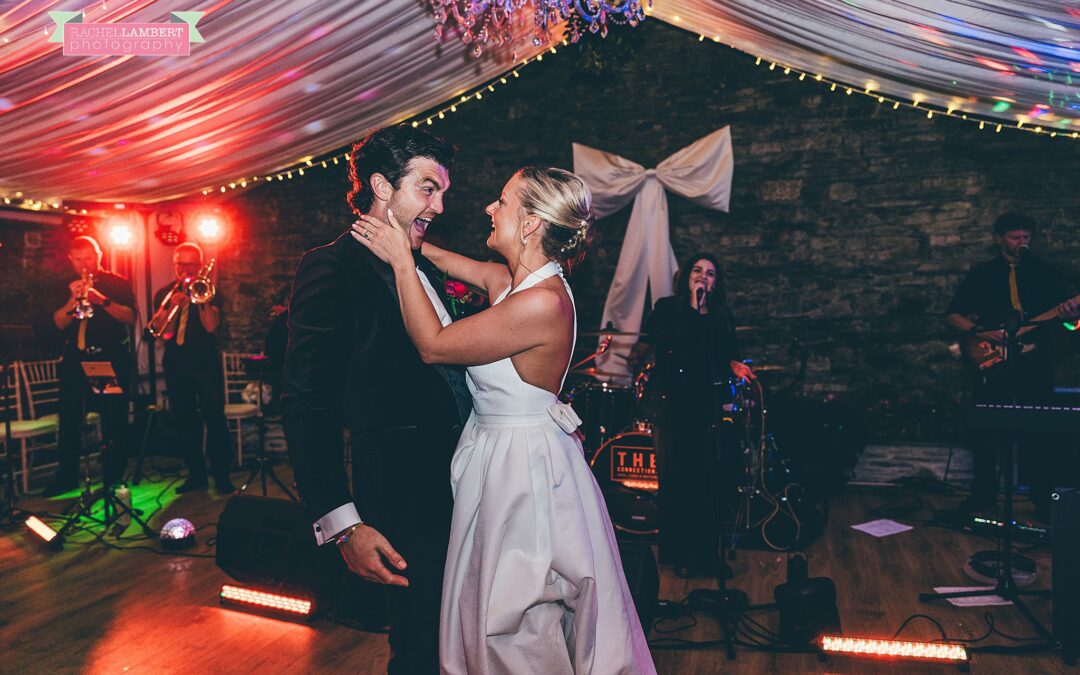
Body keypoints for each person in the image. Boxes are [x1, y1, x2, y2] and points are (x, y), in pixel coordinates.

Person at [353, 166, 655, 674]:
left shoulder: (542, 302)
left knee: (512, 614)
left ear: (531, 223)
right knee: (493, 600)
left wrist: (402, 261)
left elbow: (434, 346)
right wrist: (406, 235)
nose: (489, 208)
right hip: (497, 452)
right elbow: (449, 261)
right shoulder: (513, 283)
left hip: (522, 469)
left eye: (503, 201)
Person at [282, 125, 471, 674]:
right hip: (403, 498)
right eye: (428, 188)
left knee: (458, 638)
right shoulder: (332, 266)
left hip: (465, 483)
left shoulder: (424, 263)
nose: (440, 205)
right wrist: (342, 523)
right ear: (382, 186)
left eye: (443, 192)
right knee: (419, 648)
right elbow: (307, 402)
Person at [628, 252, 755, 579]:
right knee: (677, 483)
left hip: (707, 406)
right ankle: (680, 555)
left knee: (708, 482)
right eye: (698, 270)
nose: (703, 276)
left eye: (710, 273)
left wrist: (735, 365)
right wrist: (695, 309)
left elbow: (728, 354)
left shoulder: (722, 316)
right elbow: (669, 347)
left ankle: (708, 554)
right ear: (686, 276)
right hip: (672, 405)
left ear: (716, 282)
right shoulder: (668, 309)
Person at [946, 212, 1078, 521]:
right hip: (993, 361)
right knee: (986, 429)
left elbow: (1069, 325)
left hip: (1034, 361)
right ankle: (983, 493)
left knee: (1040, 430)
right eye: (1016, 237)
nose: (1022, 242)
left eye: (1026, 237)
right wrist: (979, 333)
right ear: (999, 239)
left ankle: (1042, 496)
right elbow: (953, 315)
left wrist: (1072, 318)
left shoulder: (1045, 273)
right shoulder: (983, 274)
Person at [44, 235, 136, 497]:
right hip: (76, 358)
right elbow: (59, 322)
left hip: (107, 357)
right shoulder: (63, 285)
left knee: (113, 418)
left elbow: (129, 317)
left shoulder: (117, 282)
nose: (84, 265)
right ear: (71, 259)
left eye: (88, 258)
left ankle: (113, 477)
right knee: (70, 418)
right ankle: (67, 477)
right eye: (78, 260)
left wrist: (101, 300)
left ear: (99, 256)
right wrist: (72, 300)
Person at [149, 242, 234, 494]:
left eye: (191, 264)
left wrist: (200, 300)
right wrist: (171, 307)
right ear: (174, 265)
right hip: (176, 362)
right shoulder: (164, 294)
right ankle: (195, 474)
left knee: (214, 417)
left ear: (200, 265)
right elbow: (161, 332)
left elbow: (210, 326)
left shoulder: (210, 292)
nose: (185, 269)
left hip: (205, 361)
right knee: (185, 419)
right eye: (181, 264)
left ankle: (221, 475)